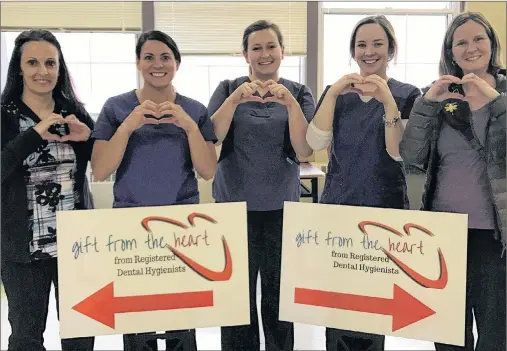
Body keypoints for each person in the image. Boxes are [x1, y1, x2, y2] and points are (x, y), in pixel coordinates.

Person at [91, 30, 217, 351]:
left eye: (165, 57)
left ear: (177, 63)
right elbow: (102, 170)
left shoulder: (195, 110)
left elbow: (208, 170)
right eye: (149, 57)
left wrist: (188, 125)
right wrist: (130, 124)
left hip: (182, 228)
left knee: (180, 323)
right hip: (132, 230)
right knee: (137, 323)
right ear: (138, 63)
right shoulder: (116, 107)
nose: (157, 64)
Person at [306, 15, 421, 351]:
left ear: (391, 50)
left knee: (372, 311)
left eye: (377, 44)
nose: (369, 52)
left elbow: (399, 151)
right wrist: (334, 92)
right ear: (353, 52)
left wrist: (387, 100)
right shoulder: (337, 93)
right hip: (339, 212)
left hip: (383, 214)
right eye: (361, 45)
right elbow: (314, 142)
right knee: (339, 308)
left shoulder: (406, 94)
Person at [400, 12, 506, 351]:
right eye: (461, 42)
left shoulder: (503, 91)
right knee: (447, 334)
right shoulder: (440, 94)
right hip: (441, 235)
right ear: (451, 50)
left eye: (479, 39)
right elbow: (411, 156)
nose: (471, 47)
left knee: (495, 333)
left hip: (495, 234)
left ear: (492, 45)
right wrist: (426, 104)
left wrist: (496, 102)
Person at [207, 19, 316, 351]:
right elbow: (211, 136)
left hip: (281, 211)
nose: (264, 54)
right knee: (236, 303)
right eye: (256, 48)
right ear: (245, 54)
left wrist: (290, 105)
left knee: (279, 300)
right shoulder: (228, 88)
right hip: (232, 209)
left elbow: (305, 149)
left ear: (283, 51)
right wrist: (236, 99)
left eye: (271, 46)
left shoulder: (299, 92)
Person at [1, 29, 95, 351]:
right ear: (19, 69)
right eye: (33, 62)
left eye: (50, 63)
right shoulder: (4, 116)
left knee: (81, 335)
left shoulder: (75, 113)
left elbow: (86, 171)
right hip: (23, 250)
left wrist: (88, 140)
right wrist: (37, 133)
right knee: (26, 339)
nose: (43, 71)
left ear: (59, 68)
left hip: (76, 247)